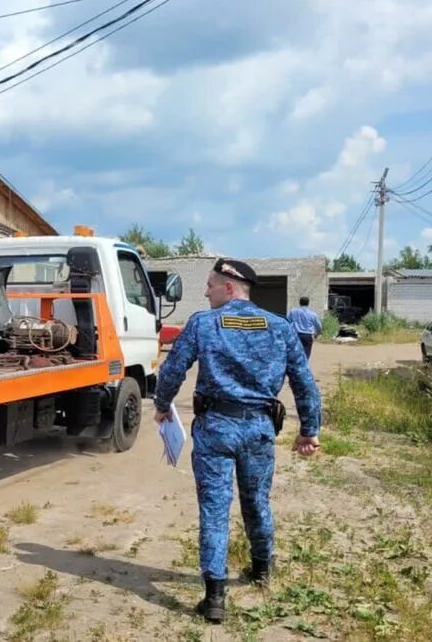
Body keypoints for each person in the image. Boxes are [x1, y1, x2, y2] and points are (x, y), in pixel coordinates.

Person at [152, 258, 321, 624]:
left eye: (210, 285)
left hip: (215, 429)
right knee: (257, 502)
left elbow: (172, 369)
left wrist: (163, 406)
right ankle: (261, 570)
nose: (205, 291)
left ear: (229, 288)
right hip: (259, 430)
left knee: (214, 507)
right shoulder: (280, 327)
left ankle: (214, 597)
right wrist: (309, 429)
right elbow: (304, 382)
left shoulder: (203, 323)